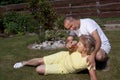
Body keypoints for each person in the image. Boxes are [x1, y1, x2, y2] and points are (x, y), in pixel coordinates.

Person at [14, 35, 97, 80]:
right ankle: (24, 63)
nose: (78, 44)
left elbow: (93, 76)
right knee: (40, 60)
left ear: (85, 48)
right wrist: (70, 45)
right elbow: (70, 47)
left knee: (39, 69)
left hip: (63, 68)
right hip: (62, 56)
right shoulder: (78, 49)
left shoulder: (89, 60)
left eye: (80, 43)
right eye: (79, 42)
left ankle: (35, 63)